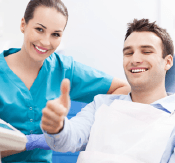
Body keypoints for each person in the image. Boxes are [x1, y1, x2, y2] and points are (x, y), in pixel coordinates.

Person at [0, 0, 130, 163]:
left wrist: (77, 127)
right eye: (39, 29)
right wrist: (27, 144)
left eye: (55, 34)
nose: (46, 42)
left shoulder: (64, 69)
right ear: (23, 24)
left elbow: (123, 89)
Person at [41, 18, 175, 163]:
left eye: (146, 51)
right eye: (128, 53)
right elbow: (69, 139)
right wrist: (57, 126)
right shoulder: (101, 105)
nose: (135, 59)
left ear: (167, 62)